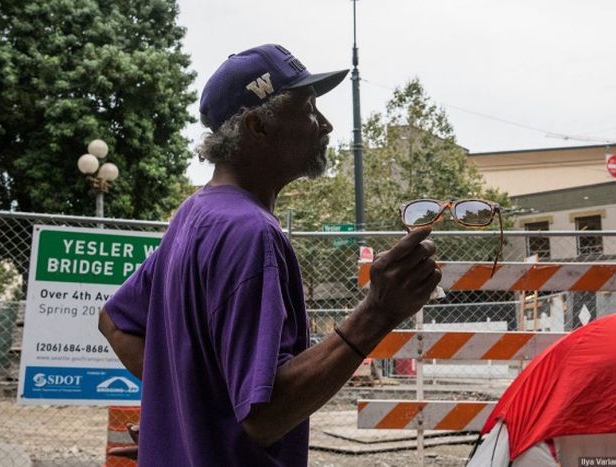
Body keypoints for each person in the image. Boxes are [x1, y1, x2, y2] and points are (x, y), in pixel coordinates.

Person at [98, 43, 441, 466]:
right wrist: (378, 312)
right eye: (310, 108)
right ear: (258, 125)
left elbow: (114, 321)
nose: (327, 125)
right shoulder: (250, 233)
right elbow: (264, 416)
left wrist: (187, 419)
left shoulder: (194, 215)